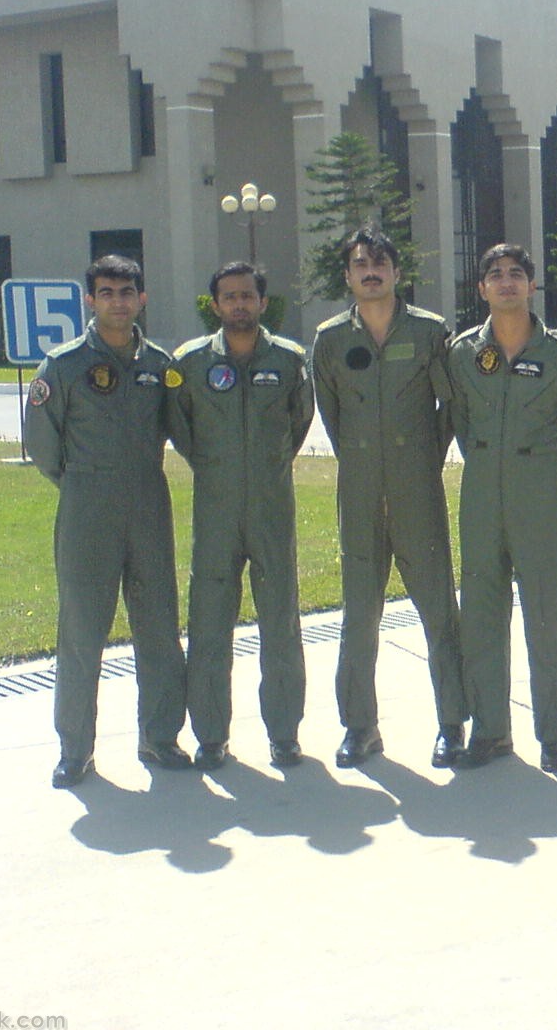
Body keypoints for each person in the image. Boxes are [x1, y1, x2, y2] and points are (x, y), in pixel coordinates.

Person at [24, 255, 188, 788]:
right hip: (87, 503)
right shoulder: (64, 365)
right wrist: (80, 483)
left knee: (160, 628)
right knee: (80, 632)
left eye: (127, 291)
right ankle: (75, 749)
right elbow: (42, 444)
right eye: (107, 291)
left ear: (142, 299)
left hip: (147, 499)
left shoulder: (161, 364)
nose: (118, 300)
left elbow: (177, 426)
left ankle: (160, 738)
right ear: (90, 301)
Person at [311, 228, 465, 769]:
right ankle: (360, 727)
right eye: (360, 264)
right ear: (349, 276)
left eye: (380, 263)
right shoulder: (330, 340)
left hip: (416, 490)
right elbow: (331, 415)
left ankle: (452, 724)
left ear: (397, 272)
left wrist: (421, 455)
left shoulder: (429, 332)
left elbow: (452, 405)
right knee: (358, 617)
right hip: (357, 494)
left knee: (439, 612)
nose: (370, 271)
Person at [446, 244, 557, 773]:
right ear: (481, 288)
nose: (506, 282)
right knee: (482, 616)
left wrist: (539, 468)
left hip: (539, 495)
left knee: (548, 616)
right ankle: (490, 731)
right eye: (494, 275)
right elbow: (460, 421)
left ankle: (553, 733)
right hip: (482, 492)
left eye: (516, 274)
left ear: (531, 286)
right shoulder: (463, 353)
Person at [167, 262, 314, 771]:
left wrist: (264, 466)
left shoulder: (291, 361)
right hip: (215, 512)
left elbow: (299, 424)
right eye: (228, 297)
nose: (238, 304)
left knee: (281, 625)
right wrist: (215, 467)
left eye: (247, 295)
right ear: (216, 305)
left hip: (273, 511)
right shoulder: (189, 362)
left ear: (261, 301)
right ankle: (211, 736)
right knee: (209, 625)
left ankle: (284, 734)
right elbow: (181, 429)